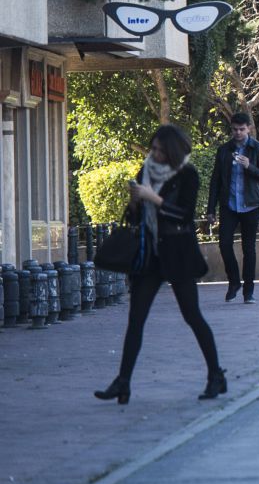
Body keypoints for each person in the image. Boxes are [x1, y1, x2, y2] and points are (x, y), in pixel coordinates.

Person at [96, 124, 225, 405]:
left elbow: (185, 216)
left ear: (172, 151)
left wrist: (154, 198)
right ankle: (123, 382)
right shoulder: (146, 171)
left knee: (192, 315)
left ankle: (216, 375)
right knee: (136, 319)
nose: (153, 153)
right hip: (151, 254)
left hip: (178, 252)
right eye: (152, 148)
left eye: (159, 150)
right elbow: (134, 218)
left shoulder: (188, 174)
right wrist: (133, 204)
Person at [205, 112, 259, 303]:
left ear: (249, 128)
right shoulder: (224, 150)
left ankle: (248, 291)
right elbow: (215, 181)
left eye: (241, 129)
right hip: (229, 205)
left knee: (248, 249)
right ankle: (234, 281)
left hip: (251, 205)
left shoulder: (258, 149)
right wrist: (211, 209)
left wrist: (249, 166)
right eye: (234, 129)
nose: (238, 133)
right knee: (224, 244)